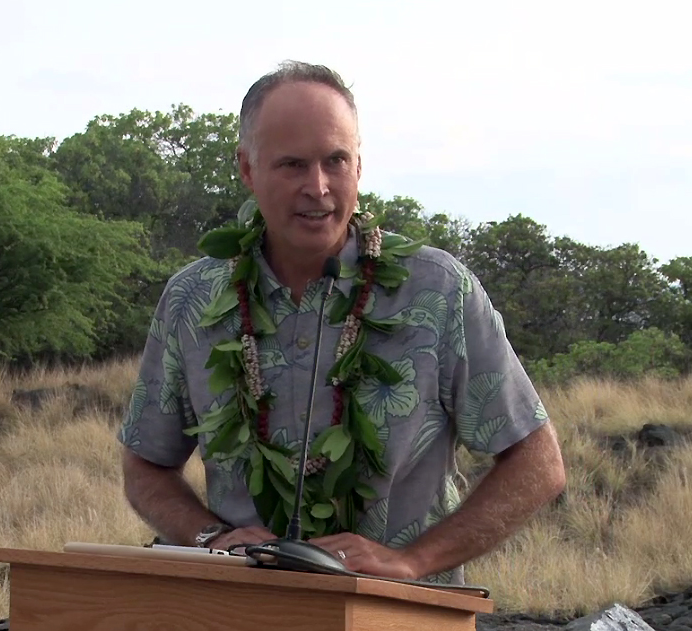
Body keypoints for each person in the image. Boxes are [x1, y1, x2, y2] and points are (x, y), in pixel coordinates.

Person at [116, 60, 565, 584]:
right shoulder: (192, 298)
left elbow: (537, 464)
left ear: (359, 165)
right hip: (241, 611)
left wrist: (412, 561)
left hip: (399, 617)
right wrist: (208, 538)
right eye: (292, 165)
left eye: (336, 161)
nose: (319, 186)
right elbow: (146, 465)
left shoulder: (438, 291)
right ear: (247, 168)